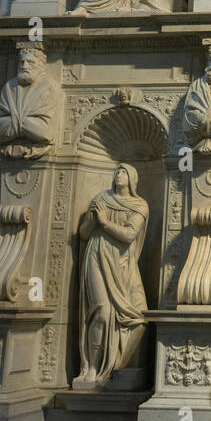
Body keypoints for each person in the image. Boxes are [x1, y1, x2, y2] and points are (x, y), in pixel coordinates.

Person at [74, 164, 149, 387]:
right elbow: (84, 233)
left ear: (133, 178)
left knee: (136, 318)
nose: (118, 174)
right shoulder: (100, 199)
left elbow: (128, 236)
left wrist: (105, 223)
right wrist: (95, 221)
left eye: (124, 172)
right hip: (96, 256)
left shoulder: (139, 205)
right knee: (102, 312)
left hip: (122, 264)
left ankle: (116, 366)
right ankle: (93, 367)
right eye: (116, 171)